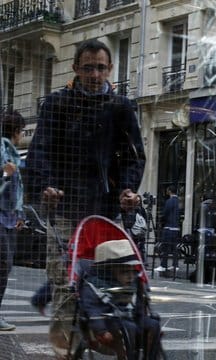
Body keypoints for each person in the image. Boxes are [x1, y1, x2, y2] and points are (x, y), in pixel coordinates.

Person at [25, 38, 146, 357]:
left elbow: (135, 156)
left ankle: (95, 340)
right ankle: (68, 349)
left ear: (110, 70)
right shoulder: (56, 104)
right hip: (65, 211)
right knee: (65, 291)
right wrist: (47, 186)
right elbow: (39, 152)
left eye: (101, 68)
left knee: (110, 289)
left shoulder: (121, 107)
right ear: (76, 68)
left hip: (105, 214)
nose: (95, 74)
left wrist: (128, 189)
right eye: (89, 67)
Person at [79, 239, 161, 359]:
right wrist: (101, 330)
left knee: (153, 324)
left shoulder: (134, 283)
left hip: (130, 320)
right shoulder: (93, 286)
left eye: (132, 272)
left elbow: (138, 309)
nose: (130, 276)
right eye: (124, 272)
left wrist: (148, 323)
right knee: (128, 327)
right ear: (109, 270)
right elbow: (92, 310)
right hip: (107, 323)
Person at [0, 110, 25, 331]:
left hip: (7, 218)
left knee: (4, 265)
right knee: (3, 265)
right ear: (16, 131)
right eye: (21, 131)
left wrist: (19, 214)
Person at [154, 185, 181, 275]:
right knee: (174, 248)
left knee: (165, 247)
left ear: (169, 191)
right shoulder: (178, 201)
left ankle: (163, 265)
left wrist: (161, 221)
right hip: (176, 228)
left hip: (168, 228)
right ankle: (175, 265)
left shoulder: (169, 201)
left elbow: (165, 214)